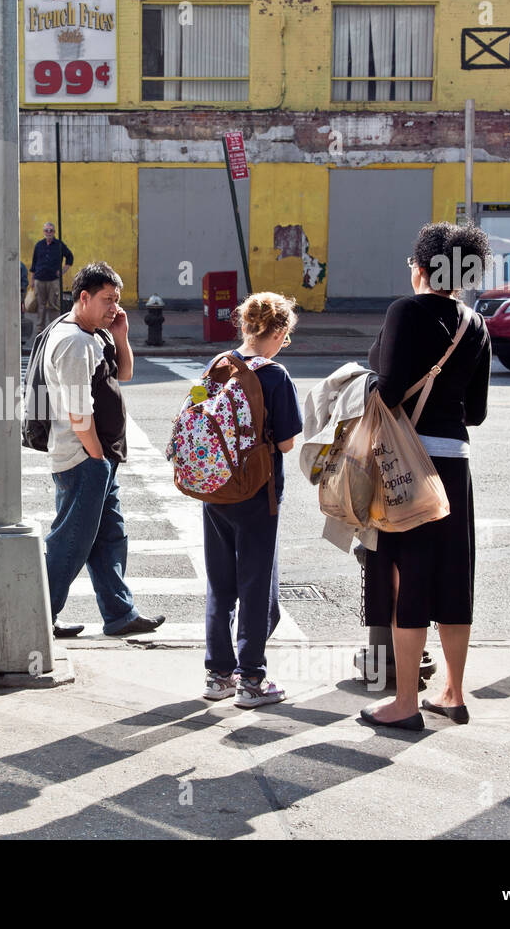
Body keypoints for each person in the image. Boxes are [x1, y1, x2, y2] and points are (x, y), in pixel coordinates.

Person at [360, 222, 492, 731]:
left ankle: (405, 703)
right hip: (455, 463)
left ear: (421, 265)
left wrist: (370, 372)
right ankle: (454, 694)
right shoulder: (475, 324)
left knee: (406, 578)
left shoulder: (404, 311)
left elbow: (387, 392)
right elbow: (475, 412)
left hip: (407, 466)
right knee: (454, 576)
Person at [43, 261, 163, 639]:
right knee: (70, 542)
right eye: (107, 300)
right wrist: (96, 459)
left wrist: (121, 334)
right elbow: (80, 415)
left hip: (100, 458)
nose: (114, 307)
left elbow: (124, 375)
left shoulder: (94, 333)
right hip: (83, 459)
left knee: (110, 536)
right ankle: (38, 615)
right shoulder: (74, 342)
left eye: (117, 300)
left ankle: (120, 613)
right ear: (84, 297)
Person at [199, 292, 303, 709]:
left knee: (220, 583)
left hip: (214, 487)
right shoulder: (275, 376)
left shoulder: (217, 365)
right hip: (259, 494)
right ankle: (252, 680)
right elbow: (287, 442)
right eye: (286, 337)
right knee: (257, 584)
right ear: (277, 332)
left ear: (245, 326)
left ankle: (218, 674)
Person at [30, 222, 73, 330]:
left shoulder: (59, 245)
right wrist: (32, 280)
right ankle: (40, 330)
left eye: (51, 230)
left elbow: (70, 257)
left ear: (54, 232)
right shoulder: (39, 245)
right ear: (43, 232)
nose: (48, 232)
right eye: (46, 230)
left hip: (53, 281)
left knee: (54, 305)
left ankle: (55, 329)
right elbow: (34, 263)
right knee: (41, 306)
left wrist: (63, 271)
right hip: (39, 280)